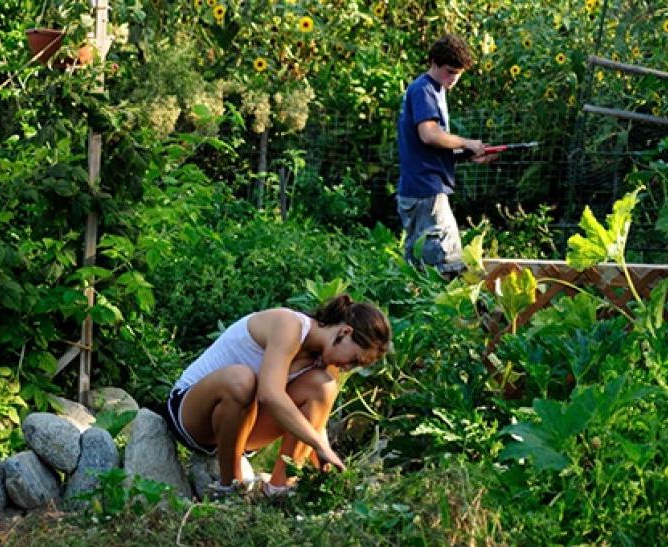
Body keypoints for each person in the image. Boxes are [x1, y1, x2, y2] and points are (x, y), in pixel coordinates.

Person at [162, 295, 392, 497]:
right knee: (241, 379)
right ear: (345, 332)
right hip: (192, 414)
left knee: (324, 386)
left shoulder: (326, 363)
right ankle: (232, 487)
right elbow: (269, 395)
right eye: (354, 360)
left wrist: (326, 466)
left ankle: (279, 490)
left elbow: (313, 423)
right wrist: (319, 445)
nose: (348, 368)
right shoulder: (290, 325)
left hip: (243, 431)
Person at [396, 34, 496, 276]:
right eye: (449, 71)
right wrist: (467, 142)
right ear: (434, 63)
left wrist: (467, 154)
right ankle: (448, 313)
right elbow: (429, 135)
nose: (453, 79)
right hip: (426, 190)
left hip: (421, 188)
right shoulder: (423, 90)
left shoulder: (435, 89)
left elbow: (430, 148)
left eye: (458, 74)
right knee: (446, 264)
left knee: (417, 269)